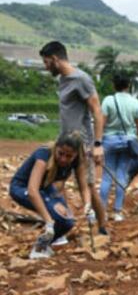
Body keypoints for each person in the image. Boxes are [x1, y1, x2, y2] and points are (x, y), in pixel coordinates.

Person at [39, 41, 109, 236]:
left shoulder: (81, 79)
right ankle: (64, 224)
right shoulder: (63, 80)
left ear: (55, 59)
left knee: (87, 187)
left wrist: (97, 144)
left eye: (46, 62)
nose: (46, 67)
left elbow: (97, 111)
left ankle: (102, 227)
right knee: (55, 184)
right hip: (64, 144)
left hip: (82, 145)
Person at [9, 132, 94, 259]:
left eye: (69, 156)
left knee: (68, 221)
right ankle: (38, 249)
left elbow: (83, 187)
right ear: (56, 147)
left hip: (45, 188)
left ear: (76, 154)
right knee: (57, 216)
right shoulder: (44, 154)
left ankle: (43, 245)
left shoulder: (77, 161)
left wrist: (88, 205)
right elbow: (32, 190)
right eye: (61, 153)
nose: (63, 159)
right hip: (22, 188)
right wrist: (48, 221)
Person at [99, 73, 138, 221]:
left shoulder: (108, 100)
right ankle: (117, 212)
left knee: (106, 177)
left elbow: (102, 123)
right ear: (128, 86)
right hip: (128, 142)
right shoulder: (136, 103)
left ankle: (102, 212)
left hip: (109, 141)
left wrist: (97, 143)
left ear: (114, 85)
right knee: (121, 175)